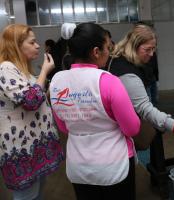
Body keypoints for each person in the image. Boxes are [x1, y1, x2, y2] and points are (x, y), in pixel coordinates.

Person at [49, 23, 141, 200]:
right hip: (113, 164)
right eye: (108, 47)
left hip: (78, 164)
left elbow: (64, 127)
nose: (110, 51)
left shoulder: (57, 81)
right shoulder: (109, 81)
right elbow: (132, 129)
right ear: (96, 51)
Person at [0, 24, 64, 200]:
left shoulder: (21, 69)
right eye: (32, 42)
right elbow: (31, 100)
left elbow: (37, 95)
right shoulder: (5, 68)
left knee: (36, 191)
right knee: (27, 195)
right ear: (16, 45)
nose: (38, 45)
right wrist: (44, 71)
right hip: (21, 148)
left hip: (34, 142)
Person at [108, 24, 174, 143]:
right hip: (126, 134)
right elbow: (144, 108)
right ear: (133, 46)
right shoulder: (128, 74)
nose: (151, 54)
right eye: (147, 49)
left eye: (153, 49)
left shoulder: (119, 58)